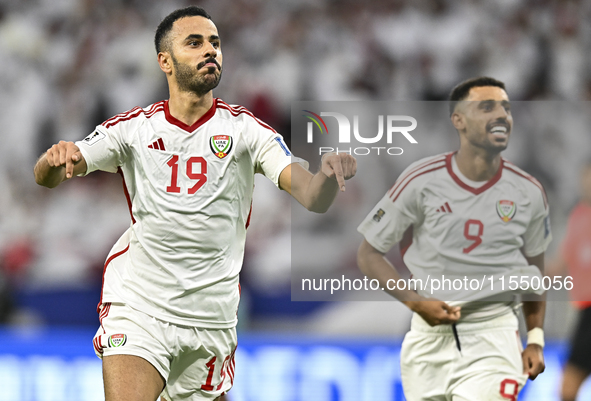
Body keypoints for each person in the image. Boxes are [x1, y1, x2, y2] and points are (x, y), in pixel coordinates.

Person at [33, 6, 356, 401]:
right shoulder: (134, 129)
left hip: (211, 320)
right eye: (195, 42)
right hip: (141, 305)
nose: (210, 51)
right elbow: (47, 176)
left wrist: (325, 176)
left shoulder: (246, 131)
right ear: (164, 61)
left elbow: (311, 196)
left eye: (215, 43)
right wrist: (53, 159)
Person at [357, 77, 551, 400]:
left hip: (494, 335)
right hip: (427, 340)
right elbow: (368, 254)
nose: (501, 115)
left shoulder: (529, 192)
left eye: (506, 108)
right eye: (486, 107)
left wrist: (535, 338)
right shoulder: (419, 181)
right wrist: (416, 303)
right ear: (458, 120)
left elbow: (535, 272)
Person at [547, 163, 591, 401]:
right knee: (567, 388)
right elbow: (559, 265)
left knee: (568, 386)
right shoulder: (579, 216)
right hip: (585, 310)